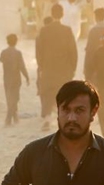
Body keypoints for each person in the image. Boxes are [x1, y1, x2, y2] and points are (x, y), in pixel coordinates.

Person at [35, 3, 78, 132]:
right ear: (62, 14)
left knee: (47, 94)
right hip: (64, 70)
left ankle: (47, 118)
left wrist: (41, 66)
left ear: (51, 14)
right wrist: (72, 69)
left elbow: (39, 51)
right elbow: (73, 52)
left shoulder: (44, 30)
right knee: (64, 95)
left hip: (48, 69)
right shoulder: (67, 30)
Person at [0, 33, 30, 126]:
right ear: (16, 42)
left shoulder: (3, 52)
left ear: (7, 42)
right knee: (15, 98)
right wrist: (27, 77)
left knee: (9, 98)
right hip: (16, 79)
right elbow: (22, 67)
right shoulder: (18, 53)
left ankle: (15, 117)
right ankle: (8, 118)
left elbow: (1, 60)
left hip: (6, 79)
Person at [83, 8, 104, 77]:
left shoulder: (93, 31)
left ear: (96, 17)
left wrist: (86, 68)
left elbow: (89, 50)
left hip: (95, 64)